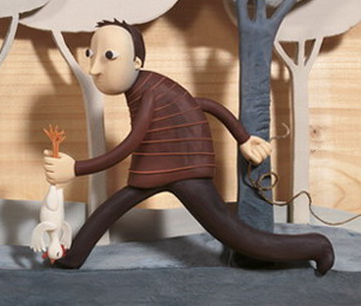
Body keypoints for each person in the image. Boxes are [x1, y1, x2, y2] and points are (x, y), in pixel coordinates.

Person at [44, 20, 334, 273]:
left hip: (183, 170)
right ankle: (72, 259)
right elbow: (202, 104)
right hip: (161, 167)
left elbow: (132, 142)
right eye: (91, 54)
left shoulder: (149, 92)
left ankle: (316, 246)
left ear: (136, 62)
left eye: (109, 56)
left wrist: (77, 169)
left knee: (235, 235)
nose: (94, 68)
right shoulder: (150, 87)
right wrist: (242, 138)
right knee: (111, 209)